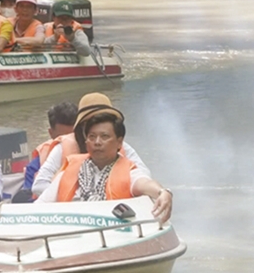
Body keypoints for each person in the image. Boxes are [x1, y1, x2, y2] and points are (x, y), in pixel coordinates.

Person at [35, 95, 172, 223]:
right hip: (70, 233)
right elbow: (39, 206)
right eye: (92, 136)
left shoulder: (128, 171)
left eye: (104, 136)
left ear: (119, 142)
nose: (97, 142)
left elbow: (144, 182)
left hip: (115, 231)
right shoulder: (68, 170)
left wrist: (162, 192)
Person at [30, 92, 148, 200]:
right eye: (91, 124)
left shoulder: (123, 147)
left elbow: (144, 177)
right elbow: (39, 185)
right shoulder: (62, 147)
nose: (96, 127)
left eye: (104, 133)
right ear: (81, 126)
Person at [11, 100, 78, 202]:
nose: (67, 141)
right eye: (62, 137)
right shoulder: (37, 163)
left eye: (73, 136)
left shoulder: (93, 153)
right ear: (51, 133)